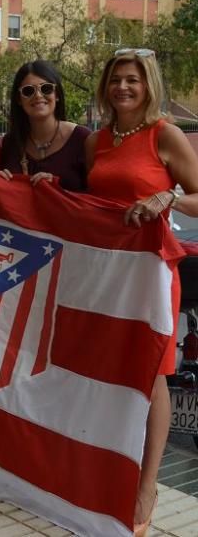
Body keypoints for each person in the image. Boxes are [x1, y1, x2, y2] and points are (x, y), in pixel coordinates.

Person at [85, 48, 198, 534]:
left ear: (147, 83)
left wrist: (167, 196)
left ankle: (146, 485)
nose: (122, 88)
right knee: (107, 369)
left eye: (131, 80)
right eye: (115, 80)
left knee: (150, 373)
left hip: (153, 270)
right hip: (105, 271)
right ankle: (109, 470)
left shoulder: (164, 134)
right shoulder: (98, 141)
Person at [0, 61, 89, 191]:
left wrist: (57, 191)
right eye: (28, 90)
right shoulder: (10, 143)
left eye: (46, 88)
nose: (38, 95)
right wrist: (0, 183)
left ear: (57, 94)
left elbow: (96, 197)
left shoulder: (82, 139)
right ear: (19, 99)